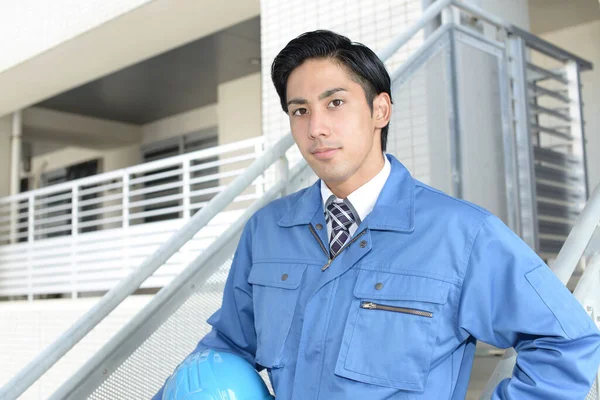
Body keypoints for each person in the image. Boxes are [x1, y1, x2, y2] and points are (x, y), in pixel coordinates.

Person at [155, 30, 600, 399]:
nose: (316, 128)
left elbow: (567, 342)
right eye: (300, 111)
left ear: (379, 110)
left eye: (335, 103)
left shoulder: (462, 234)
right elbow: (229, 347)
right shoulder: (267, 230)